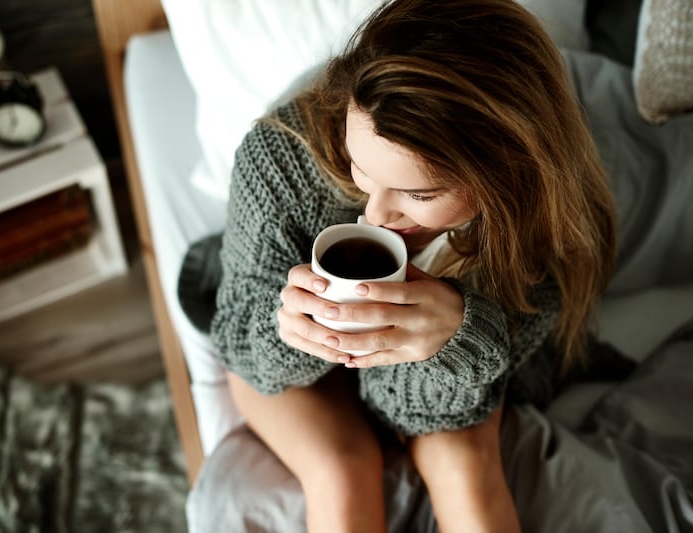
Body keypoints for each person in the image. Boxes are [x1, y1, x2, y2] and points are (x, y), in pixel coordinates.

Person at [210, 0, 617, 531]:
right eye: (360, 168)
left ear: (506, 176)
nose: (376, 214)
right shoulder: (282, 159)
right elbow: (239, 337)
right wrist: (286, 329)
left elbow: (405, 412)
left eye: (416, 193)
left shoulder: (545, 229)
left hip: (435, 388)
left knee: (466, 466)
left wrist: (459, 340)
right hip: (290, 369)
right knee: (341, 470)